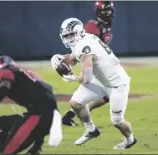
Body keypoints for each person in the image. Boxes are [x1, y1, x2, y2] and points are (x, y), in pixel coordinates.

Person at [51, 17, 137, 149]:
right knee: (75, 103)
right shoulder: (84, 39)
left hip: (116, 84)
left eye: (71, 34)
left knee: (117, 121)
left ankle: (130, 140)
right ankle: (91, 130)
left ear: (79, 32)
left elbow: (86, 78)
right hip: (100, 80)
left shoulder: (84, 46)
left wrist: (72, 77)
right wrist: (60, 59)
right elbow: (73, 59)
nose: (69, 38)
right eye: (66, 36)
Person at [0, 55, 62, 154]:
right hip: (50, 117)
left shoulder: (5, 71)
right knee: (2, 122)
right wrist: (38, 144)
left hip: (39, 116)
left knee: (7, 152)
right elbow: (49, 101)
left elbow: (3, 89)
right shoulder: (25, 74)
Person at [61, 0, 115, 127]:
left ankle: (71, 115)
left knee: (109, 93)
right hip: (90, 61)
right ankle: (74, 115)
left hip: (100, 62)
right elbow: (86, 47)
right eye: (104, 10)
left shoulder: (106, 25)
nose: (107, 13)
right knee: (108, 91)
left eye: (108, 10)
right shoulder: (93, 26)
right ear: (98, 12)